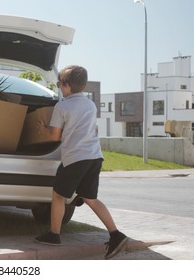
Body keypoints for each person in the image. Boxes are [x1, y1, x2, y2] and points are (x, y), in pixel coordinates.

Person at [35, 65, 128, 260]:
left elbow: (54, 136)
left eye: (60, 84)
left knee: (59, 195)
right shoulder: (90, 105)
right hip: (95, 157)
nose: (59, 87)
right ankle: (116, 234)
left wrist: (41, 128)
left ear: (67, 86)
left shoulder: (63, 106)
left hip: (75, 158)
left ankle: (54, 235)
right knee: (90, 198)